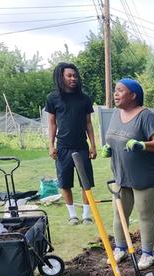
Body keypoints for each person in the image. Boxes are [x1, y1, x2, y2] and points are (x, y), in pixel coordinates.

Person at [101, 78, 154, 271]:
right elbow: (115, 138)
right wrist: (109, 148)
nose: (116, 94)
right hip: (121, 176)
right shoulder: (116, 114)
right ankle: (120, 248)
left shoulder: (145, 116)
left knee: (144, 216)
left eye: (120, 90)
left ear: (133, 95)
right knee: (119, 214)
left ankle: (147, 254)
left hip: (145, 177)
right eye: (115, 90)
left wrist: (143, 145)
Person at [46, 62, 96, 225]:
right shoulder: (53, 98)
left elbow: (88, 123)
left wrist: (93, 145)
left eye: (75, 75)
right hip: (63, 147)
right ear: (61, 77)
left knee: (85, 182)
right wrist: (51, 145)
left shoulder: (85, 99)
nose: (73, 78)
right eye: (69, 75)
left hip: (81, 146)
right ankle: (73, 215)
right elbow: (52, 123)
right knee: (65, 182)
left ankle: (86, 215)